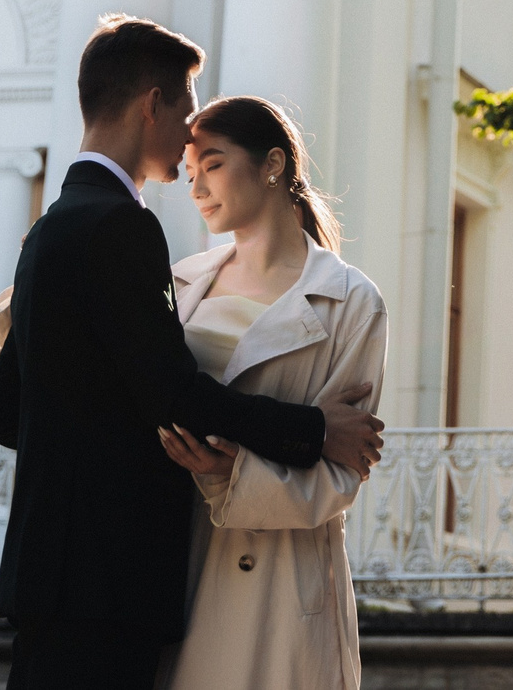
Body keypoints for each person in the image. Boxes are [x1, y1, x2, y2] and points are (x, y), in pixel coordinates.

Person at [0, 17, 384, 690]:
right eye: (188, 114)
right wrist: (316, 429)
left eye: (213, 160)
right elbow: (170, 393)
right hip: (110, 581)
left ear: (274, 165)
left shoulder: (51, 226)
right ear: (153, 104)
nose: (191, 164)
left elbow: (5, 412)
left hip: (67, 579)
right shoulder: (125, 226)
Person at [154, 96, 386, 690]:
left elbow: (343, 472)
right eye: (189, 173)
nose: (197, 187)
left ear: (273, 164)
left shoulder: (350, 302)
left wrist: (233, 473)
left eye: (213, 163)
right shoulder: (178, 284)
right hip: (175, 561)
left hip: (281, 583)